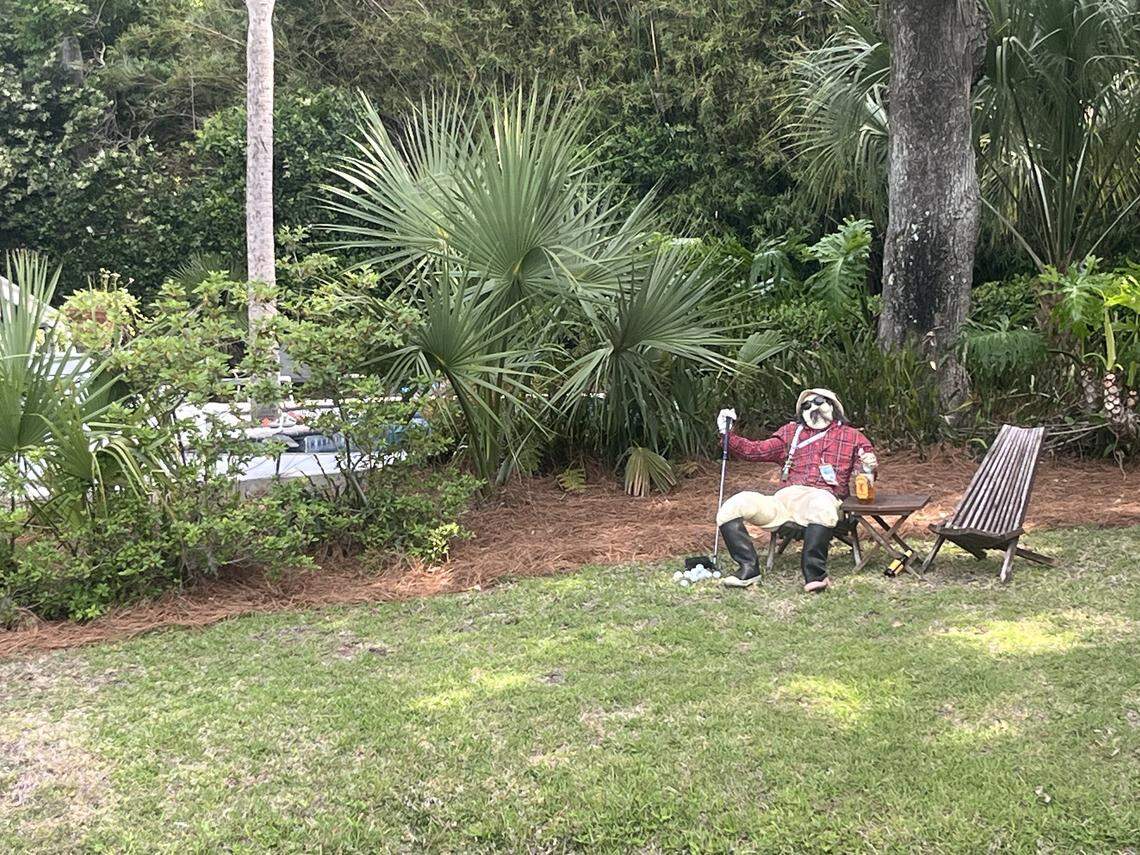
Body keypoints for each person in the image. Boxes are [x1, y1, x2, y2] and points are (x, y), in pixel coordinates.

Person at [715, 389, 877, 592]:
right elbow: (755, 450)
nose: (813, 408)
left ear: (833, 406)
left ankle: (814, 574)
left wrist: (869, 468)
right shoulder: (790, 433)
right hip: (784, 500)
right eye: (806, 406)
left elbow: (864, 477)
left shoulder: (853, 437)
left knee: (821, 505)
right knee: (733, 505)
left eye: (819, 401)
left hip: (824, 496)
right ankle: (748, 569)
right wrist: (727, 433)